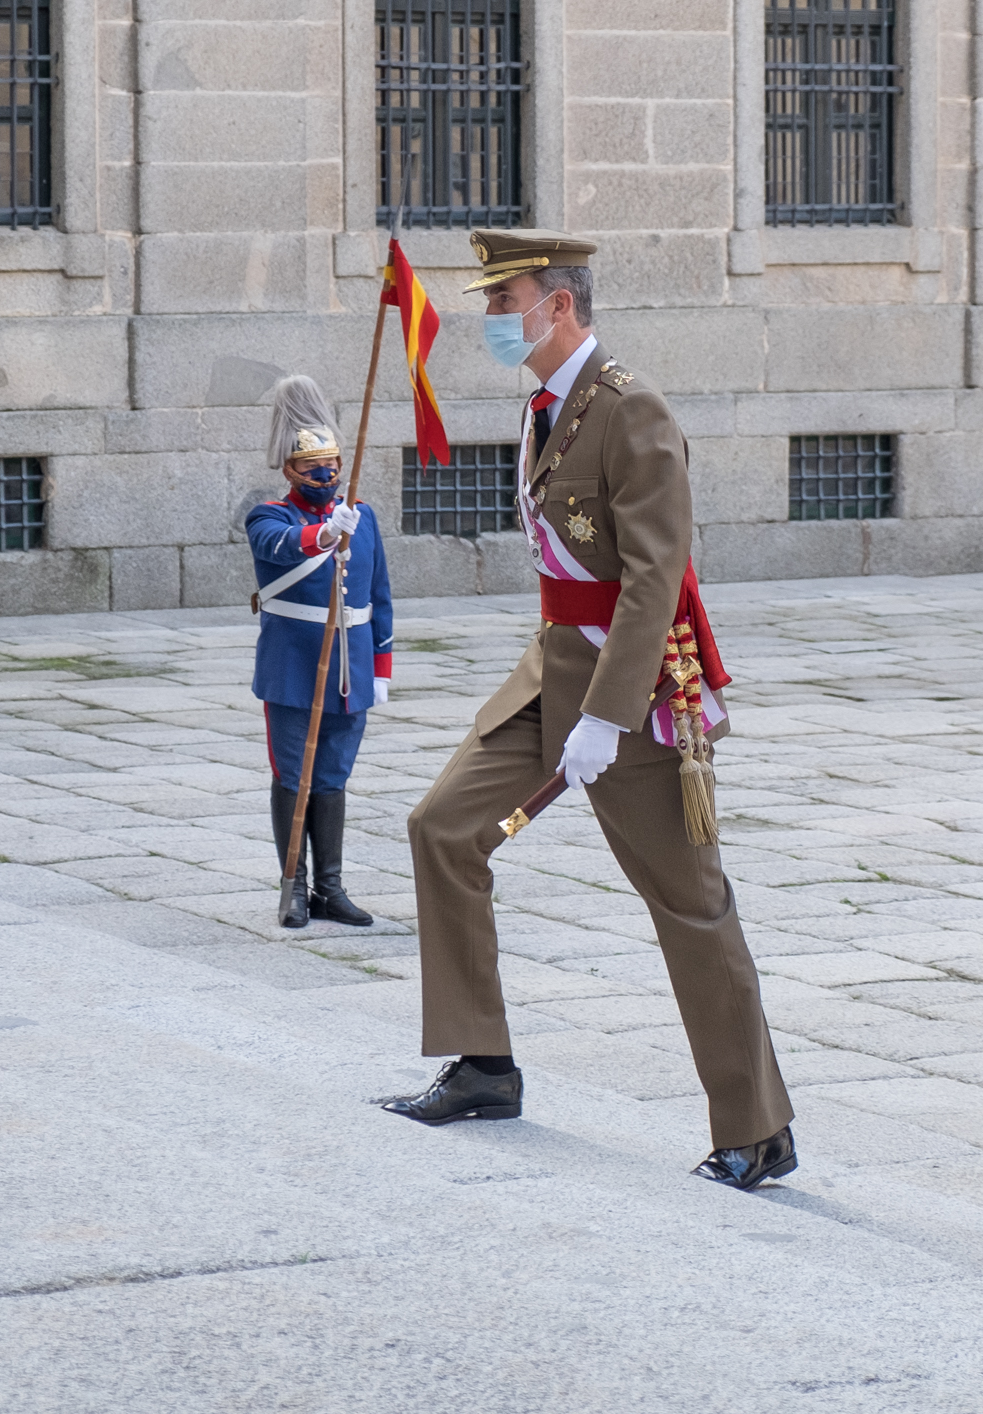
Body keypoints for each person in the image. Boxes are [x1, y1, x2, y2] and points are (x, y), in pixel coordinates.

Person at [387, 229, 797, 1191]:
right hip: (552, 671)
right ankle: (483, 1065)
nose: (492, 320)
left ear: (558, 305)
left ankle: (758, 1130)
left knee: (689, 905)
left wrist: (608, 717)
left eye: (505, 302)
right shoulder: (545, 405)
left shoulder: (628, 406)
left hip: (636, 691)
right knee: (442, 828)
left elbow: (655, 576)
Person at [246, 375, 392, 930]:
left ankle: (330, 888)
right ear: (289, 470)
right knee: (294, 777)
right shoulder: (269, 515)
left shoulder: (363, 516)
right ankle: (295, 888)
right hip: (293, 668)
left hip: (349, 670)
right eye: (311, 468)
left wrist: (380, 667)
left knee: (332, 777)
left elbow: (379, 595)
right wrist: (326, 536)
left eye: (331, 466)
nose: (325, 476)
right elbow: (279, 547)